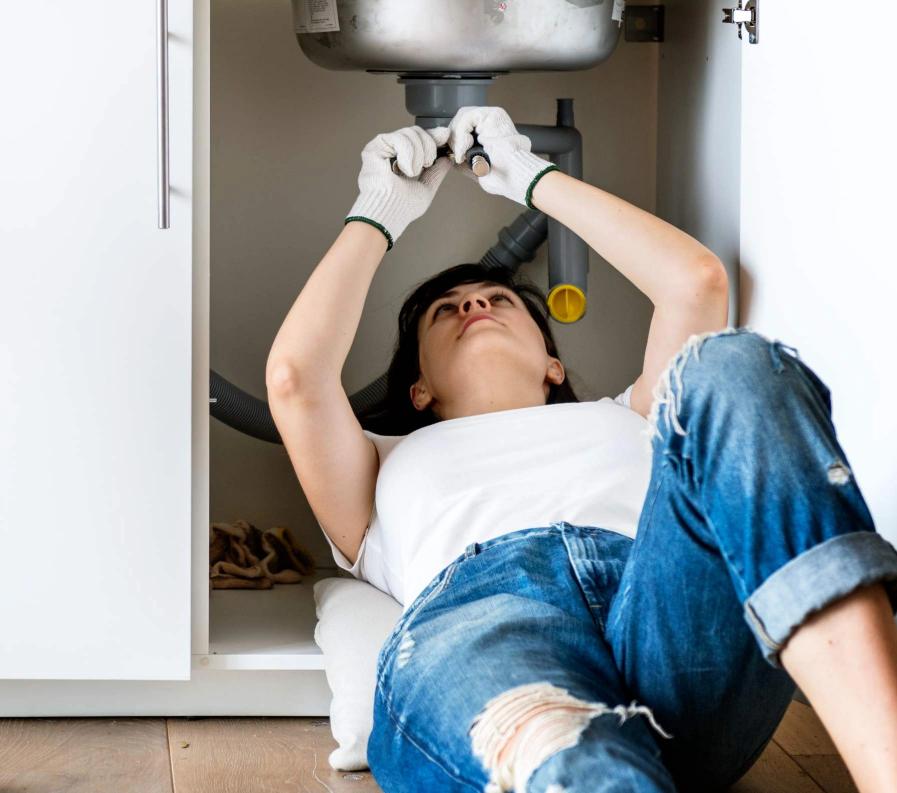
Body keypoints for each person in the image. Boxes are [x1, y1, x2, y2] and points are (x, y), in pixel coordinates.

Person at [266, 106, 897, 792]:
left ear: (553, 365)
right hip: (489, 626)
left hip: (671, 617)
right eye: (445, 309)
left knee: (733, 364)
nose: (473, 305)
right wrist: (378, 212)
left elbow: (696, 282)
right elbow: (295, 378)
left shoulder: (633, 414)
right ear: (417, 389)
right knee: (564, 753)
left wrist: (533, 179)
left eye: (498, 299)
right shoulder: (377, 461)